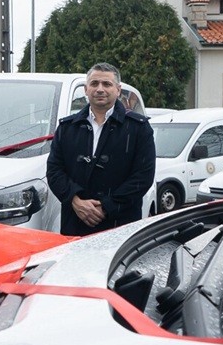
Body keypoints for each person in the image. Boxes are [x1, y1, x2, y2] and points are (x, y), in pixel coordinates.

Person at [46, 62, 155, 236]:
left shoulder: (138, 128)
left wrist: (107, 206)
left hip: (121, 225)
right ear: (86, 89)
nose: (100, 89)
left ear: (118, 90)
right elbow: (54, 170)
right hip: (75, 224)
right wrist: (75, 201)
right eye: (94, 84)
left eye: (107, 84)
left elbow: (143, 176)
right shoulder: (67, 128)